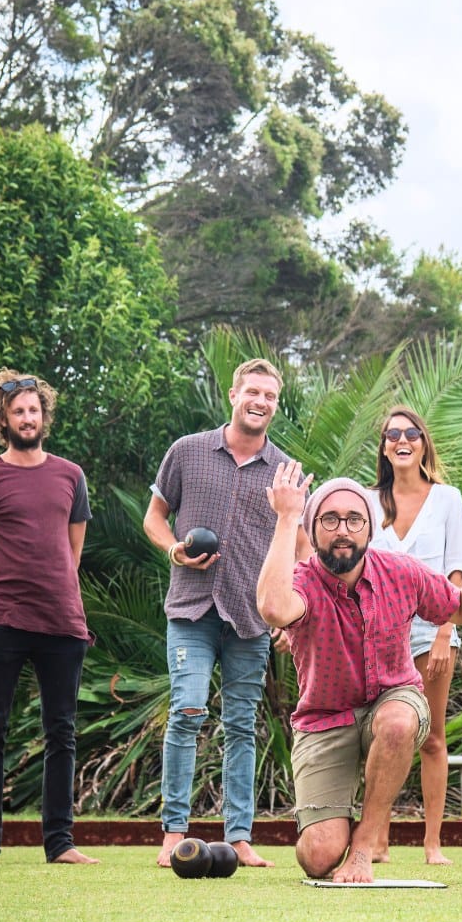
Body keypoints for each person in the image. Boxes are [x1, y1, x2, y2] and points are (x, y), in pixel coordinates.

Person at [256, 465, 462, 884]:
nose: (343, 530)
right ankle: (337, 828)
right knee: (317, 857)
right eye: (329, 520)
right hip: (324, 720)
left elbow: (458, 606)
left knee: (398, 721)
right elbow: (274, 609)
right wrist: (285, 517)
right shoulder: (303, 581)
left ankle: (366, 847)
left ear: (370, 528)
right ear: (312, 531)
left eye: (355, 520)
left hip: (392, 700)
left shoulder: (400, 572)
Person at [144, 358, 310, 868]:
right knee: (188, 711)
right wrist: (174, 550)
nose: (261, 402)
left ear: (276, 406)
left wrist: (293, 615)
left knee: (241, 726)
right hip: (191, 610)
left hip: (251, 617)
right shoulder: (187, 452)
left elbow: (303, 550)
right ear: (233, 395)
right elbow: (155, 518)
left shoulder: (287, 473)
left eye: (271, 396)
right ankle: (174, 833)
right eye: (253, 392)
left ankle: (239, 837)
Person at [0, 369, 98, 865]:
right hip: (1, 623)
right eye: (18, 411)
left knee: (62, 731)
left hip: (62, 622)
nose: (27, 417)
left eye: (34, 410)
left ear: (44, 416)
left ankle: (59, 843)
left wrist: (48, 589)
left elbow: (71, 550)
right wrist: (2, 593)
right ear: (3, 418)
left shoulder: (70, 476)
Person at [370, 406, 462, 864]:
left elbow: (456, 571)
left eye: (411, 433)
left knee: (431, 736)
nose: (402, 440)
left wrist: (447, 632)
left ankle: (432, 844)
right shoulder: (368, 502)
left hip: (433, 632)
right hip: (378, 636)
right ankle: (378, 840)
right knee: (383, 736)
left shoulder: (448, 499)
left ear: (424, 442)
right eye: (393, 435)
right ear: (384, 446)